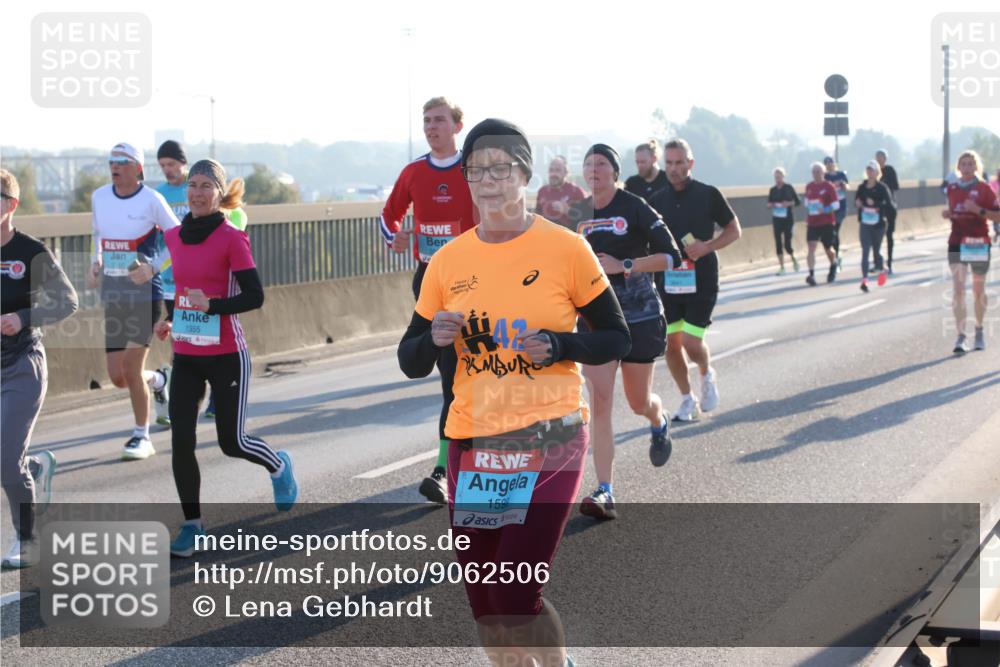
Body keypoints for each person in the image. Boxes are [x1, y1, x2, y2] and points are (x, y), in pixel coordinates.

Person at [398, 119, 629, 666]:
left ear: (524, 174)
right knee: (487, 608)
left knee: (515, 596)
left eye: (500, 168)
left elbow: (617, 335)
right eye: (476, 170)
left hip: (550, 434)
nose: (488, 180)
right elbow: (409, 359)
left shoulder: (567, 249)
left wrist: (559, 344)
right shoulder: (448, 261)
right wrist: (432, 337)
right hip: (475, 442)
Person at [145, 159, 298, 556]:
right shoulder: (176, 237)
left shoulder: (232, 238)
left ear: (218, 192)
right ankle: (193, 525)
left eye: (204, 186)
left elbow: (255, 296)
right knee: (181, 440)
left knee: (232, 442)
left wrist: (211, 306)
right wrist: (170, 320)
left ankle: (278, 465)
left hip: (228, 354)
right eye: (192, 185)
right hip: (187, 354)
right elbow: (179, 290)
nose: (196, 192)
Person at [568, 144, 681, 520]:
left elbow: (671, 256)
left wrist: (625, 264)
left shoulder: (634, 206)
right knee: (600, 404)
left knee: (637, 402)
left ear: (615, 172)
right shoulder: (577, 212)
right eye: (588, 164)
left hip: (639, 317)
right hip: (595, 321)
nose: (594, 169)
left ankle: (658, 419)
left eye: (602, 164)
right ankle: (605, 490)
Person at [380, 96, 476, 504]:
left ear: (457, 126)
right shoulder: (414, 172)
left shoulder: (474, 169)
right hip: (433, 283)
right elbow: (388, 217)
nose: (431, 127)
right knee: (451, 379)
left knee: (483, 374)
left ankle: (491, 458)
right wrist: (397, 236)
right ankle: (443, 470)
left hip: (480, 282)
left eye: (439, 120)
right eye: (426, 121)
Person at [1, 168, 78, 568]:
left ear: (10, 205)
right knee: (9, 458)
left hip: (21, 364)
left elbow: (67, 300)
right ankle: (34, 468)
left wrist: (24, 316)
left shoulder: (30, 252)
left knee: (4, 458)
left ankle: (27, 540)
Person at [89, 142, 179, 460]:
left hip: (145, 293)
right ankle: (158, 380)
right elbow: (98, 234)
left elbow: (178, 237)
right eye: (111, 160)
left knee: (130, 365)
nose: (115, 166)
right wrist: (95, 261)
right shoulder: (99, 196)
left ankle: (142, 436)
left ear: (137, 168)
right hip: (114, 291)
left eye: (122, 161)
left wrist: (154, 267)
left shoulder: (152, 200)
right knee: (118, 377)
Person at [650, 139, 741, 422]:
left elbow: (734, 229)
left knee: (691, 341)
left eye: (679, 163)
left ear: (691, 163)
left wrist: (707, 246)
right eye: (669, 163)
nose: (674, 169)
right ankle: (687, 398)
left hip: (701, 277)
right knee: (671, 344)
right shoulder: (656, 201)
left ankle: (705, 371)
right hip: (668, 280)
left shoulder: (707, 194)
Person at [940, 150, 1000, 354]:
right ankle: (961, 336)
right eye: (963, 164)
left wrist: (979, 211)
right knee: (958, 289)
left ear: (976, 167)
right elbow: (953, 210)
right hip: (957, 240)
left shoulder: (985, 189)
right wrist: (948, 214)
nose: (966, 168)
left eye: (970, 164)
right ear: (959, 167)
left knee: (977, 291)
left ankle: (979, 330)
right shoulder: (952, 187)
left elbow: (998, 216)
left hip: (977, 242)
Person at [151, 140, 190, 427]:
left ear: (182, 163)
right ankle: (176, 394)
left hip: (198, 277)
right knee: (178, 338)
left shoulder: (198, 188)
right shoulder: (158, 195)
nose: (167, 170)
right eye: (163, 166)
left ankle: (212, 393)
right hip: (168, 280)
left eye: (171, 165)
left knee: (201, 335)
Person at [855, 160, 894, 292]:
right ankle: (864, 280)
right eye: (868, 169)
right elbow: (857, 200)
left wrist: (876, 204)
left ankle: (882, 268)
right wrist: (858, 204)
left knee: (876, 251)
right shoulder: (862, 187)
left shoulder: (882, 188)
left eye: (872, 170)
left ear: (877, 172)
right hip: (865, 223)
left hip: (879, 224)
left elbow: (890, 205)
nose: (870, 172)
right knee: (865, 251)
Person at [804, 162, 840, 286]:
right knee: (811, 247)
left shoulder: (829, 186)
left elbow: (836, 204)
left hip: (827, 222)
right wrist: (811, 205)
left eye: (818, 172)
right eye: (814, 172)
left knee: (828, 249)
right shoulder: (809, 186)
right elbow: (806, 202)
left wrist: (824, 209)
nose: (816, 174)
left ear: (823, 172)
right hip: (813, 222)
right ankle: (811, 274)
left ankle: (834, 263)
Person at [534, 156, 586, 227]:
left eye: (558, 170)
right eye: (551, 170)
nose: (553, 174)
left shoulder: (576, 191)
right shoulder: (542, 191)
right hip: (546, 234)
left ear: (566, 173)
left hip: (569, 235)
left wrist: (568, 211)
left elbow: (587, 218)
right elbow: (537, 217)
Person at [767, 167, 800, 275]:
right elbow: (768, 203)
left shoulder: (788, 187)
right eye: (776, 177)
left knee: (787, 243)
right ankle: (782, 267)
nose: (777, 178)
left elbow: (798, 201)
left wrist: (789, 203)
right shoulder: (772, 190)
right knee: (777, 242)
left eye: (779, 176)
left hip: (788, 218)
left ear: (783, 176)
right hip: (777, 218)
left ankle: (793, 257)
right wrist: (771, 205)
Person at [875, 149, 900, 273]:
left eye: (881, 157)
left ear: (885, 159)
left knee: (889, 235)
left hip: (889, 207)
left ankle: (890, 261)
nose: (879, 159)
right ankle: (878, 261)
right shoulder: (872, 171)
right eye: (877, 157)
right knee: (876, 236)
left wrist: (884, 188)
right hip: (877, 209)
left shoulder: (890, 170)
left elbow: (895, 186)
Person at [823, 156, 849, 267]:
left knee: (835, 231)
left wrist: (843, 185)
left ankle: (837, 257)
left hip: (841, 207)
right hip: (830, 208)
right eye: (827, 163)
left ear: (834, 164)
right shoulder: (825, 177)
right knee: (832, 233)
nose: (829, 165)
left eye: (831, 162)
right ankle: (837, 257)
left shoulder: (841, 175)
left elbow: (847, 187)